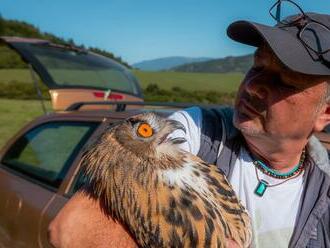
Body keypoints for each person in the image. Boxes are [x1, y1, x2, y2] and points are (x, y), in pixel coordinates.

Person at [48, 8, 330, 248]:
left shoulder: (324, 189)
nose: (253, 85)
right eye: (257, 66)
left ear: (325, 112)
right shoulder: (196, 131)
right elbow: (72, 228)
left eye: (285, 81)